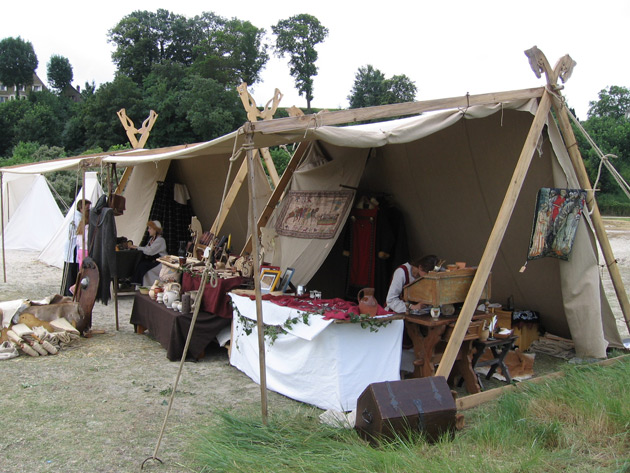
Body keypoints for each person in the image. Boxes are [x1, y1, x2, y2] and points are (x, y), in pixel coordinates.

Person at [62, 199, 91, 296]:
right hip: (74, 246)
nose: (88, 210)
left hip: (77, 246)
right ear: (81, 208)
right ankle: (69, 291)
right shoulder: (77, 218)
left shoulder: (80, 218)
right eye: (87, 208)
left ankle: (71, 290)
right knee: (72, 269)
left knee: (74, 268)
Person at [130, 220, 168, 286]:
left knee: (143, 266)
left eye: (150, 228)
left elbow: (150, 251)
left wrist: (137, 247)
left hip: (161, 262)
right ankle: (143, 285)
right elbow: (146, 249)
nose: (148, 230)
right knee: (141, 265)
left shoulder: (160, 240)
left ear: (155, 229)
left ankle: (149, 286)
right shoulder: (151, 240)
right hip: (155, 261)